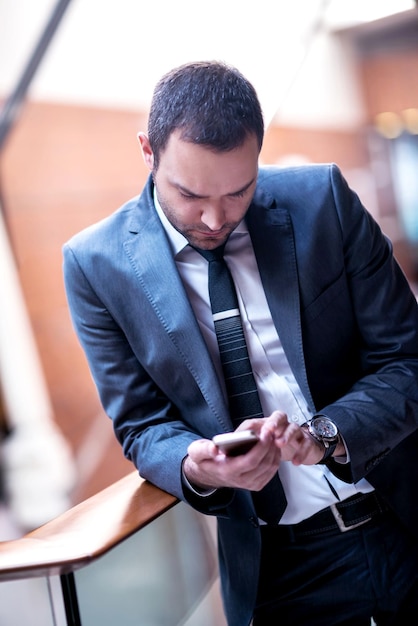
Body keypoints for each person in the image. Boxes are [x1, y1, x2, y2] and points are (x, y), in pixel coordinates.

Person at [62, 60, 418, 626]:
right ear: (147, 152)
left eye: (238, 192)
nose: (214, 217)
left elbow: (406, 358)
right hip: (280, 567)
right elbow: (140, 424)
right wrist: (197, 465)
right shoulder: (94, 264)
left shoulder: (321, 199)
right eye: (190, 193)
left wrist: (326, 434)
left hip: (402, 511)